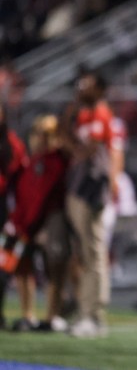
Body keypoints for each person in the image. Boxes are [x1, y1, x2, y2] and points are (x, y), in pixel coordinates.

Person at [60, 70, 122, 338]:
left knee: (93, 252)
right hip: (81, 188)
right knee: (85, 253)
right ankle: (86, 312)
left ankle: (94, 314)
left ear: (99, 89)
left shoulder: (100, 113)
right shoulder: (84, 113)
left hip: (91, 189)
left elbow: (91, 150)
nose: (80, 87)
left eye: (87, 84)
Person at [6, 114, 71, 332]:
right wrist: (17, 222)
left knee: (55, 266)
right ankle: (28, 314)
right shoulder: (32, 162)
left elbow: (45, 196)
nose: (41, 139)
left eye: (47, 134)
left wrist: (30, 224)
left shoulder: (56, 161)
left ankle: (53, 315)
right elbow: (25, 197)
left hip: (49, 221)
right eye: (38, 133)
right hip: (28, 223)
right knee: (23, 267)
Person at [0, 102, 28, 329]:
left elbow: (20, 182)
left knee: (3, 264)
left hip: (4, 210)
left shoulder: (12, 144)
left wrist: (16, 216)